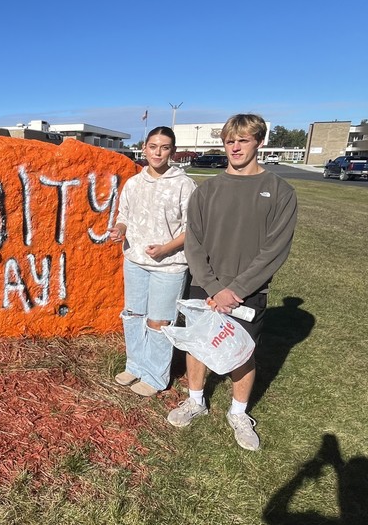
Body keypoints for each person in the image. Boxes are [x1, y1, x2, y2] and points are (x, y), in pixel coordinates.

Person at [167, 113, 297, 451]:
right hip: (205, 285)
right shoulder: (207, 190)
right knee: (198, 345)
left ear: (259, 142)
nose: (235, 147)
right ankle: (195, 400)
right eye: (230, 141)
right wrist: (212, 287)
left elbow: (275, 248)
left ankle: (239, 413)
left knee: (241, 352)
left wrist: (236, 290)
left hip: (248, 290)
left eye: (243, 140)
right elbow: (193, 242)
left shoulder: (279, 191)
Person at [110, 126, 196, 397]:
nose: (158, 152)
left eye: (164, 147)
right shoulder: (134, 183)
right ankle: (134, 365)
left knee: (160, 322)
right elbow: (123, 214)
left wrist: (166, 248)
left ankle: (156, 375)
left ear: (172, 151)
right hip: (135, 260)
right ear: (144, 147)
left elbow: (193, 227)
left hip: (169, 265)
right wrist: (120, 229)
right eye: (153, 146)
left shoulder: (184, 184)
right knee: (133, 316)